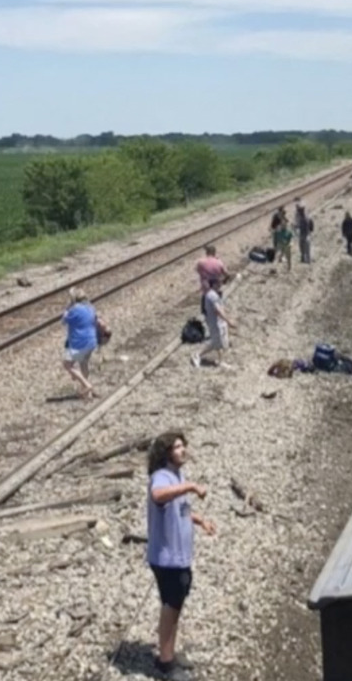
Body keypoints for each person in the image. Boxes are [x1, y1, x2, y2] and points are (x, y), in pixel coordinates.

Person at [146, 430, 216, 681]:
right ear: (166, 453)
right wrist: (189, 486)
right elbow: (158, 496)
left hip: (180, 556)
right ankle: (165, 663)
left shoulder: (177, 475)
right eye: (177, 447)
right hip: (166, 557)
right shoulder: (161, 477)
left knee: (176, 605)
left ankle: (169, 654)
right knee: (170, 605)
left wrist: (200, 521)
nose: (183, 450)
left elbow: (181, 508)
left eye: (183, 445)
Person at [61, 287, 108, 400]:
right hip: (92, 341)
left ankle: (87, 385)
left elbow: (63, 321)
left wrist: (67, 308)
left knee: (68, 364)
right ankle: (88, 393)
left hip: (79, 342)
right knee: (83, 364)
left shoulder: (74, 310)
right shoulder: (91, 308)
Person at [191, 277, 234, 368]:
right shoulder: (212, 295)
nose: (220, 285)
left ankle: (217, 359)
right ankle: (199, 354)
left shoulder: (213, 294)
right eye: (218, 283)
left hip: (218, 322)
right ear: (214, 284)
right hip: (215, 322)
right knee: (217, 342)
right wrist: (229, 321)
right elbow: (218, 310)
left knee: (218, 342)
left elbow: (220, 307)